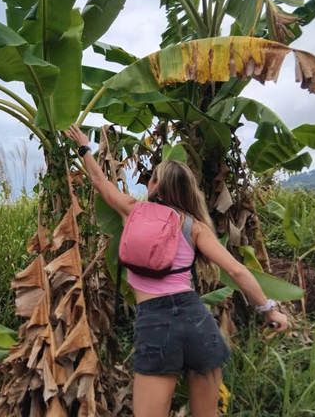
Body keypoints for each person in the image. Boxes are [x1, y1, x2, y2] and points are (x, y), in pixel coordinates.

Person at [65, 125, 288, 417]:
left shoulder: (132, 210)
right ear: (186, 191)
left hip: (155, 324)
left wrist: (84, 147)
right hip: (197, 320)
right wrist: (269, 309)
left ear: (154, 185)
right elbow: (237, 271)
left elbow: (99, 180)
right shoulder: (194, 227)